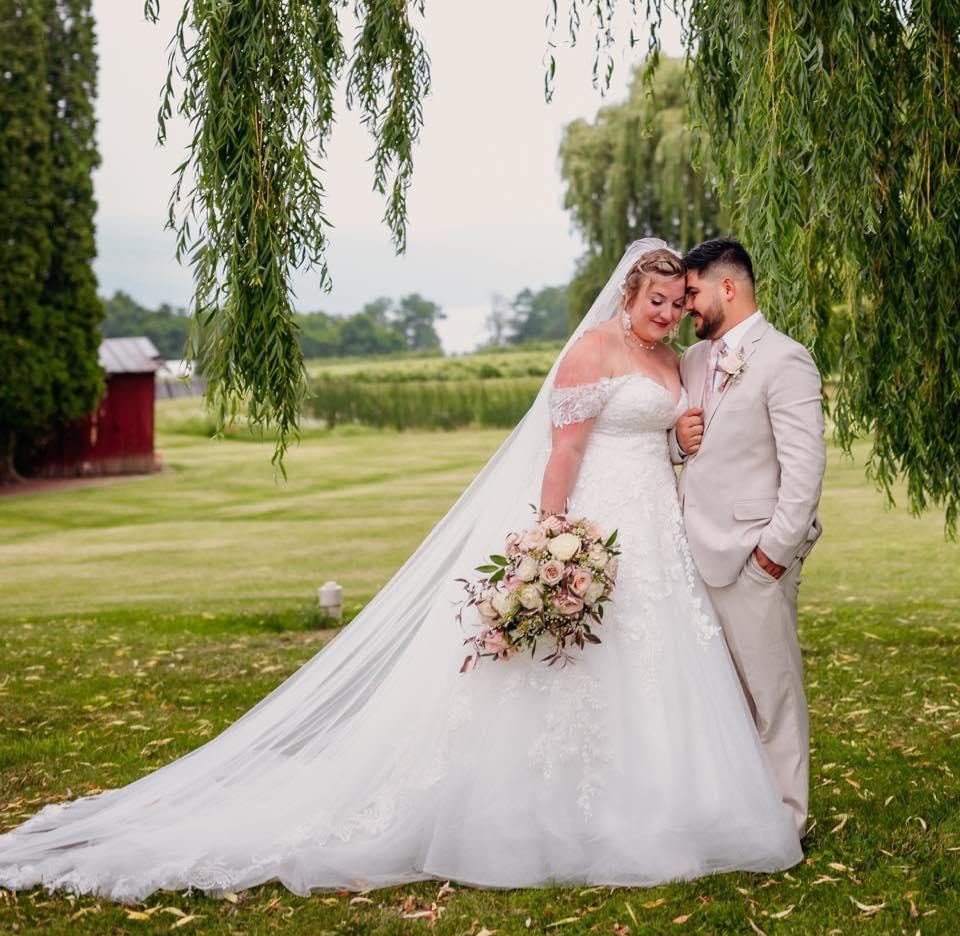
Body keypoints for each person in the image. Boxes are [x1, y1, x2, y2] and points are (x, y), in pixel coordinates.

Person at [0, 239, 801, 902]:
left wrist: (682, 441)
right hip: (594, 522)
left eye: (677, 302)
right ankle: (537, 811)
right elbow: (564, 451)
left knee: (655, 665)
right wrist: (552, 540)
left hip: (657, 533)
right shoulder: (592, 350)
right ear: (627, 295)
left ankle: (661, 805)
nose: (668, 314)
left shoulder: (676, 366)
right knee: (568, 669)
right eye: (656, 301)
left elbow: (669, 438)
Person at [671, 237, 826, 839]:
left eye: (692, 294)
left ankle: (787, 820)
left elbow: (804, 470)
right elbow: (678, 446)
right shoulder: (691, 362)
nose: (686, 308)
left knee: (772, 694)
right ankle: (736, 810)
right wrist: (676, 442)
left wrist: (772, 557)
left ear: (727, 287)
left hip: (751, 559)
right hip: (690, 555)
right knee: (719, 698)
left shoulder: (785, 359)